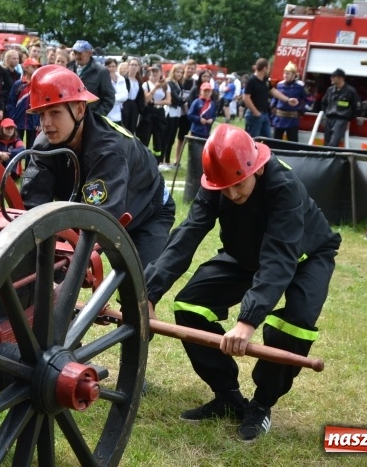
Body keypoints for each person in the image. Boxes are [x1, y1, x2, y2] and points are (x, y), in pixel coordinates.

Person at [143, 123, 341, 441]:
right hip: (246, 254)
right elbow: (187, 235)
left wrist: (247, 321)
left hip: (306, 255)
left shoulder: (283, 185)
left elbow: (279, 260)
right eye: (224, 188)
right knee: (190, 304)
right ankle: (228, 398)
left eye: (238, 184)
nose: (232, 194)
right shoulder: (217, 182)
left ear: (256, 168)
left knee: (295, 323)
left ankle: (261, 405)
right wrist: (148, 294)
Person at [20, 65, 176, 268]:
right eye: (41, 114)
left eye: (55, 112)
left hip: (149, 209)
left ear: (79, 109)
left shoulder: (108, 149)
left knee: (143, 286)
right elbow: (33, 205)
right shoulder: (44, 145)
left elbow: (99, 218)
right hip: (109, 203)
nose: (46, 123)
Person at [242, 58, 297, 139]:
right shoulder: (252, 80)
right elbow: (246, 98)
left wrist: (288, 100)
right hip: (254, 115)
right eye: (269, 68)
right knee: (253, 140)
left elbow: (273, 91)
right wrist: (256, 112)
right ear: (264, 68)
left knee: (268, 140)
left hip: (264, 114)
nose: (269, 70)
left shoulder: (265, 80)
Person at [68, 40, 115, 116]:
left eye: (79, 53)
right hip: (71, 117)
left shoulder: (101, 71)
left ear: (89, 53)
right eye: (75, 53)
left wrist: (96, 116)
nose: (76, 56)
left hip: (90, 119)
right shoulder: (69, 69)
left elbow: (109, 99)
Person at [6, 57, 41, 150]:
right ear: (25, 68)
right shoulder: (18, 84)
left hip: (34, 122)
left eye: (37, 67)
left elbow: (42, 104)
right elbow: (11, 102)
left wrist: (39, 121)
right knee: (16, 146)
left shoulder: (39, 84)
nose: (35, 69)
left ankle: (30, 165)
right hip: (18, 120)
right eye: (33, 66)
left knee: (32, 148)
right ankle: (17, 164)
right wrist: (13, 117)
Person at [320, 68, 361, 147]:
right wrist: (326, 113)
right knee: (326, 142)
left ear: (341, 78)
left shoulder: (350, 91)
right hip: (329, 118)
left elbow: (357, 107)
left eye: (334, 76)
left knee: (333, 143)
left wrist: (349, 118)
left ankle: (330, 158)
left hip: (341, 119)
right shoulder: (330, 90)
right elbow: (323, 103)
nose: (331, 78)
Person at [270, 62, 306, 142]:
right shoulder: (279, 85)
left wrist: (302, 110)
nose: (285, 75)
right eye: (284, 73)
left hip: (292, 120)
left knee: (292, 144)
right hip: (279, 119)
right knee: (276, 142)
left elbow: (308, 100)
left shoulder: (300, 86)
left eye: (288, 73)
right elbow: (275, 97)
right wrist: (272, 106)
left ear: (294, 75)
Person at [105, 57, 128, 125]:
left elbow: (125, 96)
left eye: (113, 66)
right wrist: (118, 98)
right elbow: (105, 96)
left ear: (116, 67)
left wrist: (113, 98)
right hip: (107, 112)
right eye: (109, 66)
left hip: (118, 113)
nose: (111, 68)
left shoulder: (121, 79)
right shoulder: (103, 78)